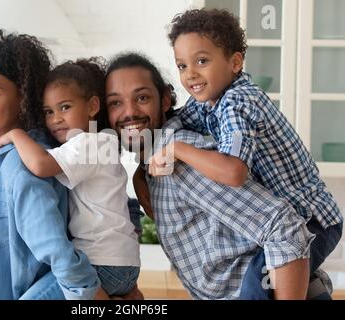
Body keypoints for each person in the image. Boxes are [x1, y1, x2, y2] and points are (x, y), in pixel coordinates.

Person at [148, 8, 342, 299]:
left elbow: (234, 172)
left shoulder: (238, 100)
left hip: (312, 220)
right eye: (182, 66)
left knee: (256, 285)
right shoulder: (207, 101)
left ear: (235, 62)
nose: (191, 74)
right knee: (271, 280)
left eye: (201, 61)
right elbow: (174, 121)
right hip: (296, 222)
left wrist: (178, 149)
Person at [105, 52, 317, 300]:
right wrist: (140, 173)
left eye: (142, 97)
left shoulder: (179, 162)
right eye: (115, 103)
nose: (129, 112)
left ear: (164, 100)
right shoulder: (155, 164)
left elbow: (285, 227)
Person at [0, 30, 100, 300]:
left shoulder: (21, 165)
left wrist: (90, 296)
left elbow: (57, 252)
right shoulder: (31, 153)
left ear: (24, 98)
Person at [0, 57, 141, 298]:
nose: (55, 119)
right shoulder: (99, 144)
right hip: (121, 264)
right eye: (48, 112)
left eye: (65, 107)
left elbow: (41, 164)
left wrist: (16, 135)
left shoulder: (88, 142)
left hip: (100, 262)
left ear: (93, 106)